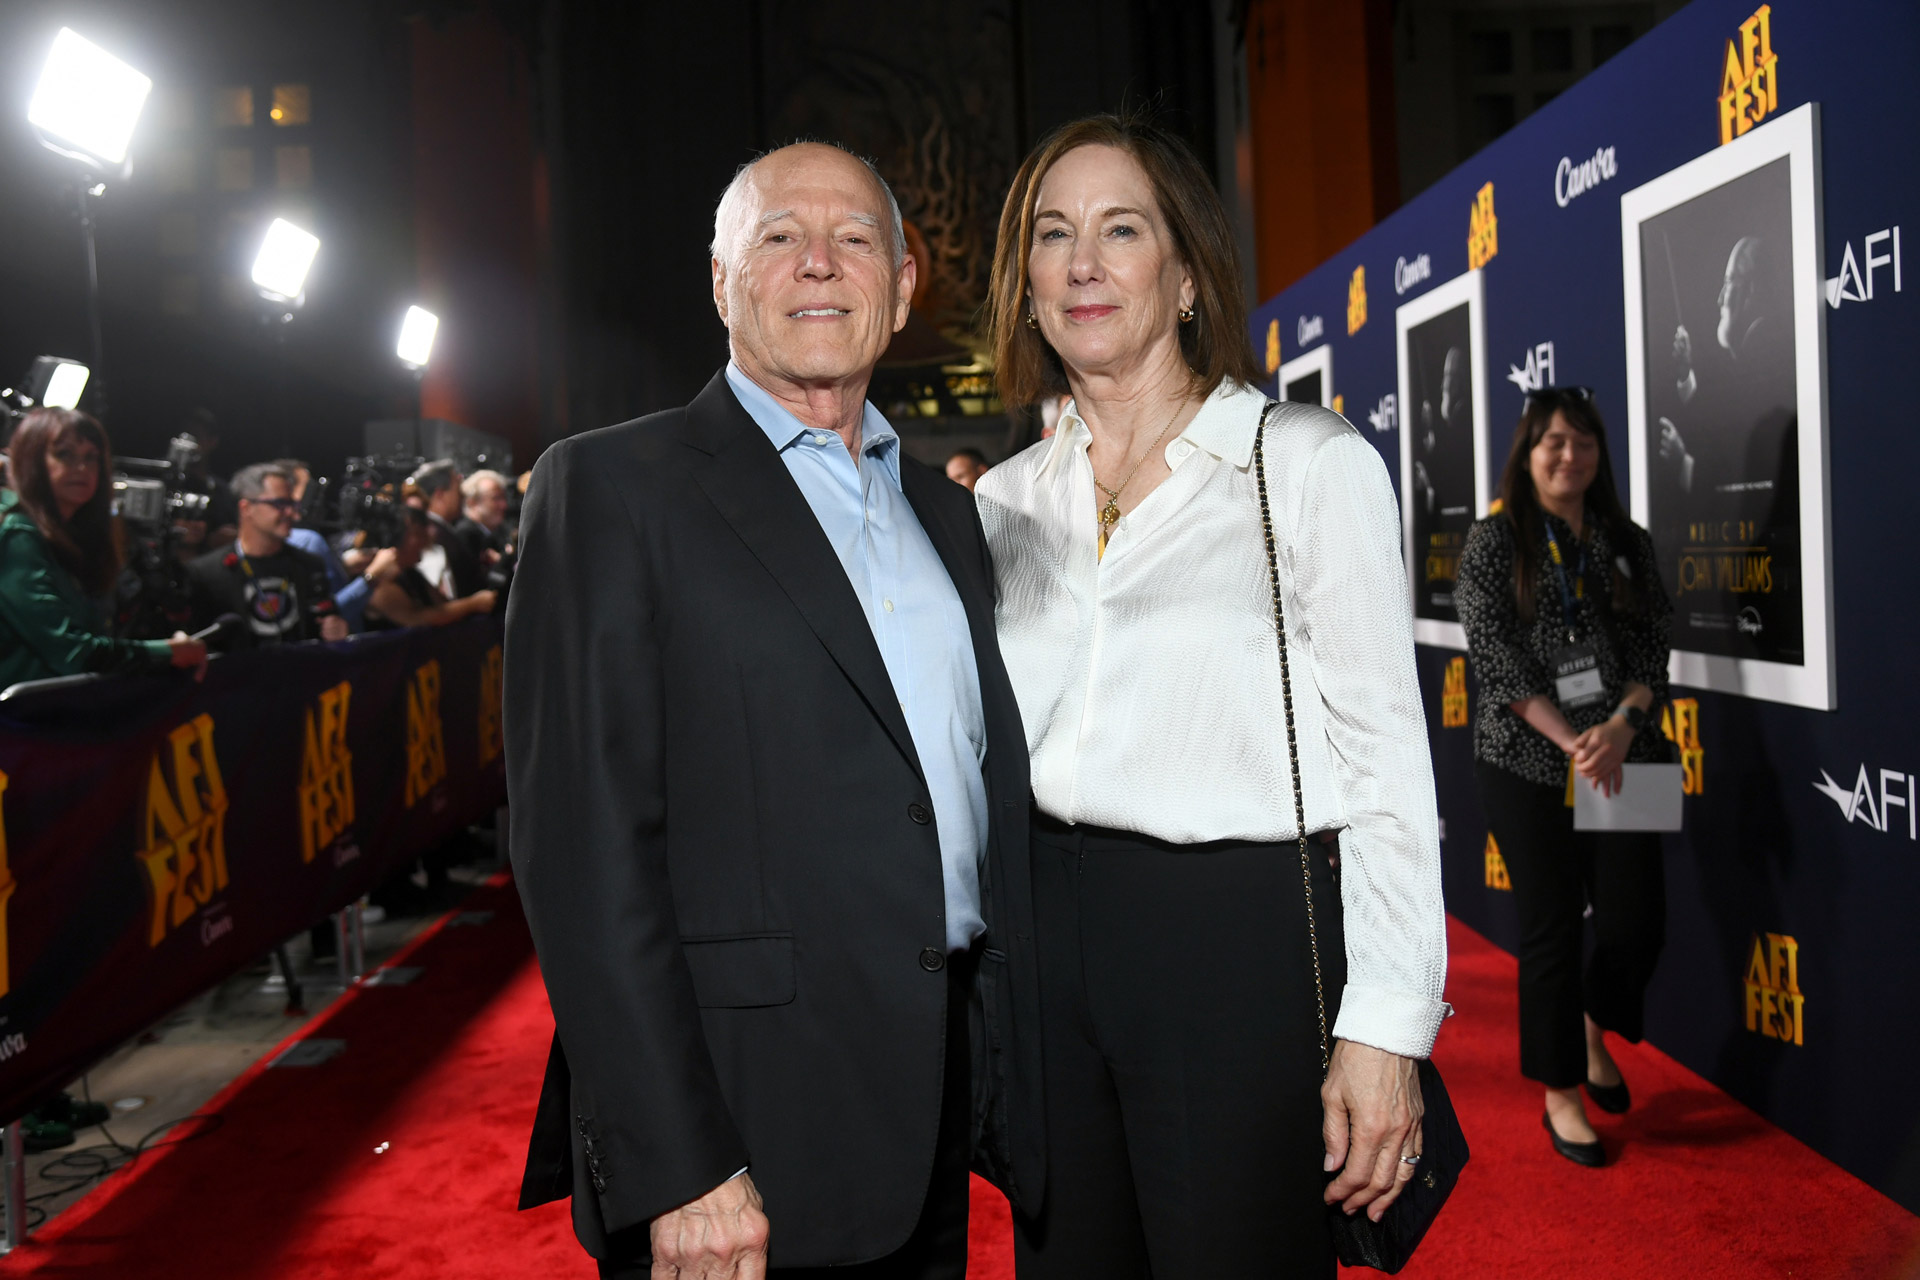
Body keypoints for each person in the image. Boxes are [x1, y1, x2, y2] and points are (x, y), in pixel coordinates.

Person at [505, 140, 1039, 1280]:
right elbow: (580, 854)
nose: (818, 265)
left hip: (937, 1096)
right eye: (779, 237)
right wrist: (677, 1161)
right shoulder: (608, 489)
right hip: (738, 1125)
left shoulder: (948, 519)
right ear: (721, 280)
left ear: (902, 287)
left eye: (854, 240)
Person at [972, 113, 1446, 1278]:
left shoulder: (1305, 463)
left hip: (1232, 943)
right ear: (1026, 285)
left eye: (1120, 229)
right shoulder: (1001, 501)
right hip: (1042, 939)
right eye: (1053, 234)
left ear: (1184, 274)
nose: (1082, 262)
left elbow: (1387, 758)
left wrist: (1387, 1024)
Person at [1454, 388, 1672, 1167]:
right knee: (1549, 926)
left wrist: (1619, 727)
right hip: (1526, 762)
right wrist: (1573, 740)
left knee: (1635, 922)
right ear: (1527, 451)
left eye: (1583, 442)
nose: (1568, 456)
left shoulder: (1627, 543)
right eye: (1553, 442)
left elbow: (1653, 651)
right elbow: (1496, 659)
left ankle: (1590, 1030)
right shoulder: (1493, 542)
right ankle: (1561, 1094)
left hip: (1622, 756)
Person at [0, 408, 206, 691]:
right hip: (22, 724)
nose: (82, 468)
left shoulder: (76, 533)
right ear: (31, 461)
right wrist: (168, 652)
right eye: (64, 454)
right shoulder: (16, 531)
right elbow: (71, 653)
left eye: (90, 458)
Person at [187, 463, 347, 648]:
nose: (293, 514)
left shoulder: (309, 566)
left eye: (293, 504)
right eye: (280, 504)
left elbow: (328, 623)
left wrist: (336, 629)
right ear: (246, 508)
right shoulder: (206, 574)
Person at [274, 458, 400, 632]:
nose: (316, 496)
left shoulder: (289, 541)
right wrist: (372, 576)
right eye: (309, 488)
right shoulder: (308, 541)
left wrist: (343, 567)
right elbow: (330, 611)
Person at [364, 507, 496, 629]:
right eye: (418, 533)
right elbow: (418, 619)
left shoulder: (411, 572)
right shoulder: (379, 581)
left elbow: (441, 605)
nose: (427, 539)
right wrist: (474, 604)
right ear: (396, 538)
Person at [409, 460, 486, 597]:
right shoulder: (431, 535)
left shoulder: (440, 530)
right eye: (458, 490)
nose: (463, 496)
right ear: (440, 494)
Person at [457, 468, 513, 557]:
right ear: (472, 502)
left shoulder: (501, 532)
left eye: (503, 498)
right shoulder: (465, 536)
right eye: (496, 498)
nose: (504, 505)